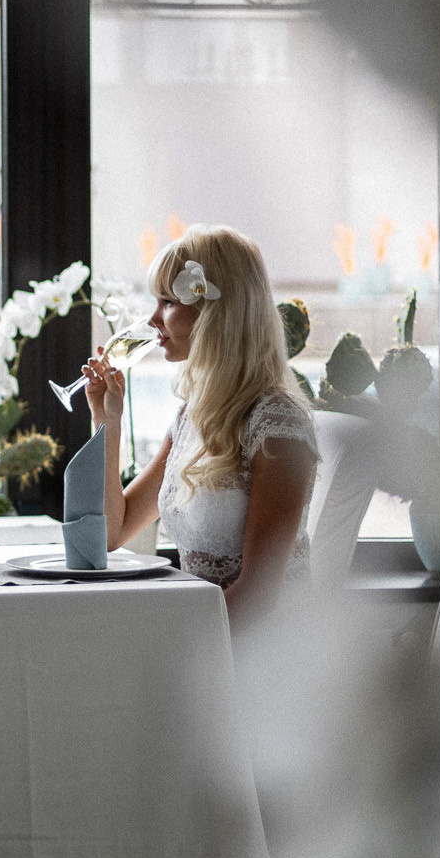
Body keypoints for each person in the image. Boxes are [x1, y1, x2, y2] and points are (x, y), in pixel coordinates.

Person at [83, 225, 318, 623]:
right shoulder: (196, 413)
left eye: (168, 302)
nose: (153, 319)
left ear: (216, 312)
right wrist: (107, 422)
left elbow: (257, 597)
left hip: (263, 657)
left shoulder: (278, 427)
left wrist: (166, 639)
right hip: (208, 634)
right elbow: (113, 532)